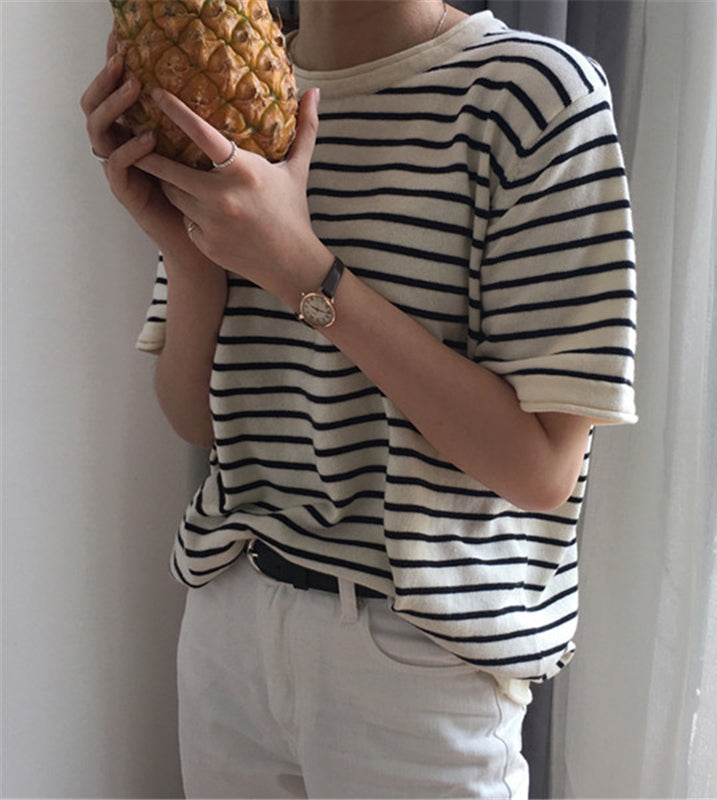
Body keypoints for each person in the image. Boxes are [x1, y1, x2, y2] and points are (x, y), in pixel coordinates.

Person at [81, 1, 637, 797]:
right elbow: (197, 419)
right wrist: (189, 256)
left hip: (420, 654)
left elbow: (541, 467)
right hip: (231, 615)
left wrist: (302, 273)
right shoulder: (229, 77)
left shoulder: (534, 95)